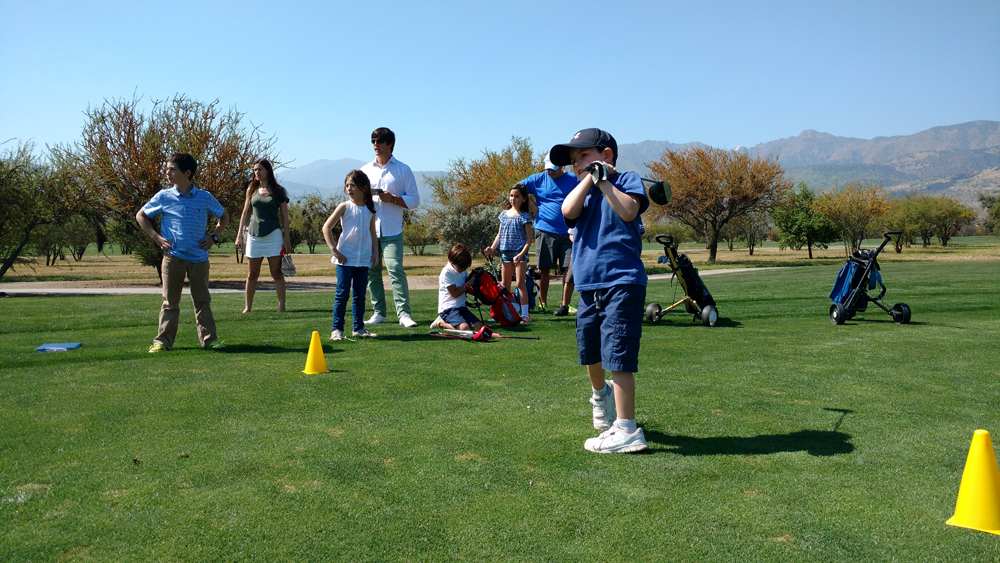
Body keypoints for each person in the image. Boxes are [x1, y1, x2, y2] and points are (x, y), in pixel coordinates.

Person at [550, 128, 650, 454]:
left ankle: (627, 429)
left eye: (583, 156)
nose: (577, 164)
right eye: (573, 161)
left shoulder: (627, 180)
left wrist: (605, 180)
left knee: (618, 357)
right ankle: (601, 394)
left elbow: (628, 211)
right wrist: (587, 180)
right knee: (590, 352)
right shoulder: (584, 192)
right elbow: (567, 211)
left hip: (622, 282)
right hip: (588, 286)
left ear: (606, 155)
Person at [137, 153, 230, 352]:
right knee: (170, 303)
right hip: (173, 257)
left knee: (202, 302)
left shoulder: (204, 197)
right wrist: (156, 237)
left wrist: (213, 238)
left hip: (199, 258)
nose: (168, 173)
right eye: (167, 169)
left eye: (172, 169)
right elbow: (141, 215)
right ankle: (162, 342)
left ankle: (210, 340)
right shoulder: (163, 196)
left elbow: (224, 217)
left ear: (187, 173)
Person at [361, 127, 420, 328]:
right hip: (370, 230)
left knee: (395, 269)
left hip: (392, 229)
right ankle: (379, 313)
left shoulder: (403, 170)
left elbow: (415, 200)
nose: (375, 144)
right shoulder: (365, 170)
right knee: (372, 271)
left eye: (379, 141)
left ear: (390, 144)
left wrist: (393, 199)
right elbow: (355, 197)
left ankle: (404, 314)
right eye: (373, 141)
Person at [322, 170, 379, 340]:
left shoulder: (370, 209)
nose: (349, 189)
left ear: (364, 187)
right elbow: (326, 228)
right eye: (347, 185)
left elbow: (372, 233)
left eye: (353, 185)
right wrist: (334, 250)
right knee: (342, 295)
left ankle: (358, 328)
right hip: (345, 259)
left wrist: (375, 253)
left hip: (363, 260)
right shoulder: (344, 206)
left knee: (360, 295)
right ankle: (337, 330)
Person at [520, 153, 578, 316]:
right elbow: (517, 188)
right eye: (547, 169)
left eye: (553, 169)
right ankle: (542, 304)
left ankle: (565, 304)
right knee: (543, 269)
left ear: (562, 167)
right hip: (544, 230)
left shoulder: (573, 179)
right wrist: (531, 205)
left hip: (569, 232)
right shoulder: (538, 179)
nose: (550, 172)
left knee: (568, 268)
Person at [234, 159, 291, 313]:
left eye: (260, 169)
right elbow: (245, 213)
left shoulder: (279, 191)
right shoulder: (251, 189)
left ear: (268, 171)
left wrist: (287, 239)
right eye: (255, 170)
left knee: (276, 273)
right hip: (254, 236)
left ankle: (282, 307)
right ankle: (248, 308)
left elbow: (285, 217)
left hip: (273, 235)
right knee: (252, 274)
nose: (257, 172)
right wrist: (239, 235)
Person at [483, 184, 534, 323]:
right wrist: (492, 248)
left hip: (519, 253)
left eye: (517, 196)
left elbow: (529, 238)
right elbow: (499, 234)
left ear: (524, 198)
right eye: (511, 196)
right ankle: (502, 313)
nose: (513, 199)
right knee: (504, 285)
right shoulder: (503, 214)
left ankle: (525, 315)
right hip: (505, 252)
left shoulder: (524, 216)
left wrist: (521, 254)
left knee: (520, 283)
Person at [430, 244, 485, 332]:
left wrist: (480, 293)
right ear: (451, 261)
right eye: (461, 267)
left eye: (465, 267)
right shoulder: (447, 272)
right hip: (448, 309)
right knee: (465, 329)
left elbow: (466, 288)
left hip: (461, 307)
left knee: (480, 327)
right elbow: (454, 294)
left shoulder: (462, 269)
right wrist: (468, 284)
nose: (463, 269)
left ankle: (460, 324)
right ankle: (440, 322)